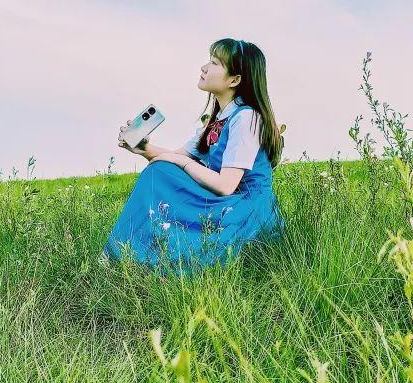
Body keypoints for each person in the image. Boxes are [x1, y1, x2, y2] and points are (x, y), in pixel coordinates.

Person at [102, 38, 286, 276]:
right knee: (159, 171)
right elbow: (178, 156)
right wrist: (144, 149)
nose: (204, 68)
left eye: (214, 63)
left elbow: (225, 185)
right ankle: (126, 255)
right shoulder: (219, 118)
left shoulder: (246, 118)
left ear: (235, 79)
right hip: (229, 201)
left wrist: (182, 162)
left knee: (160, 172)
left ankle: (126, 257)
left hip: (246, 209)